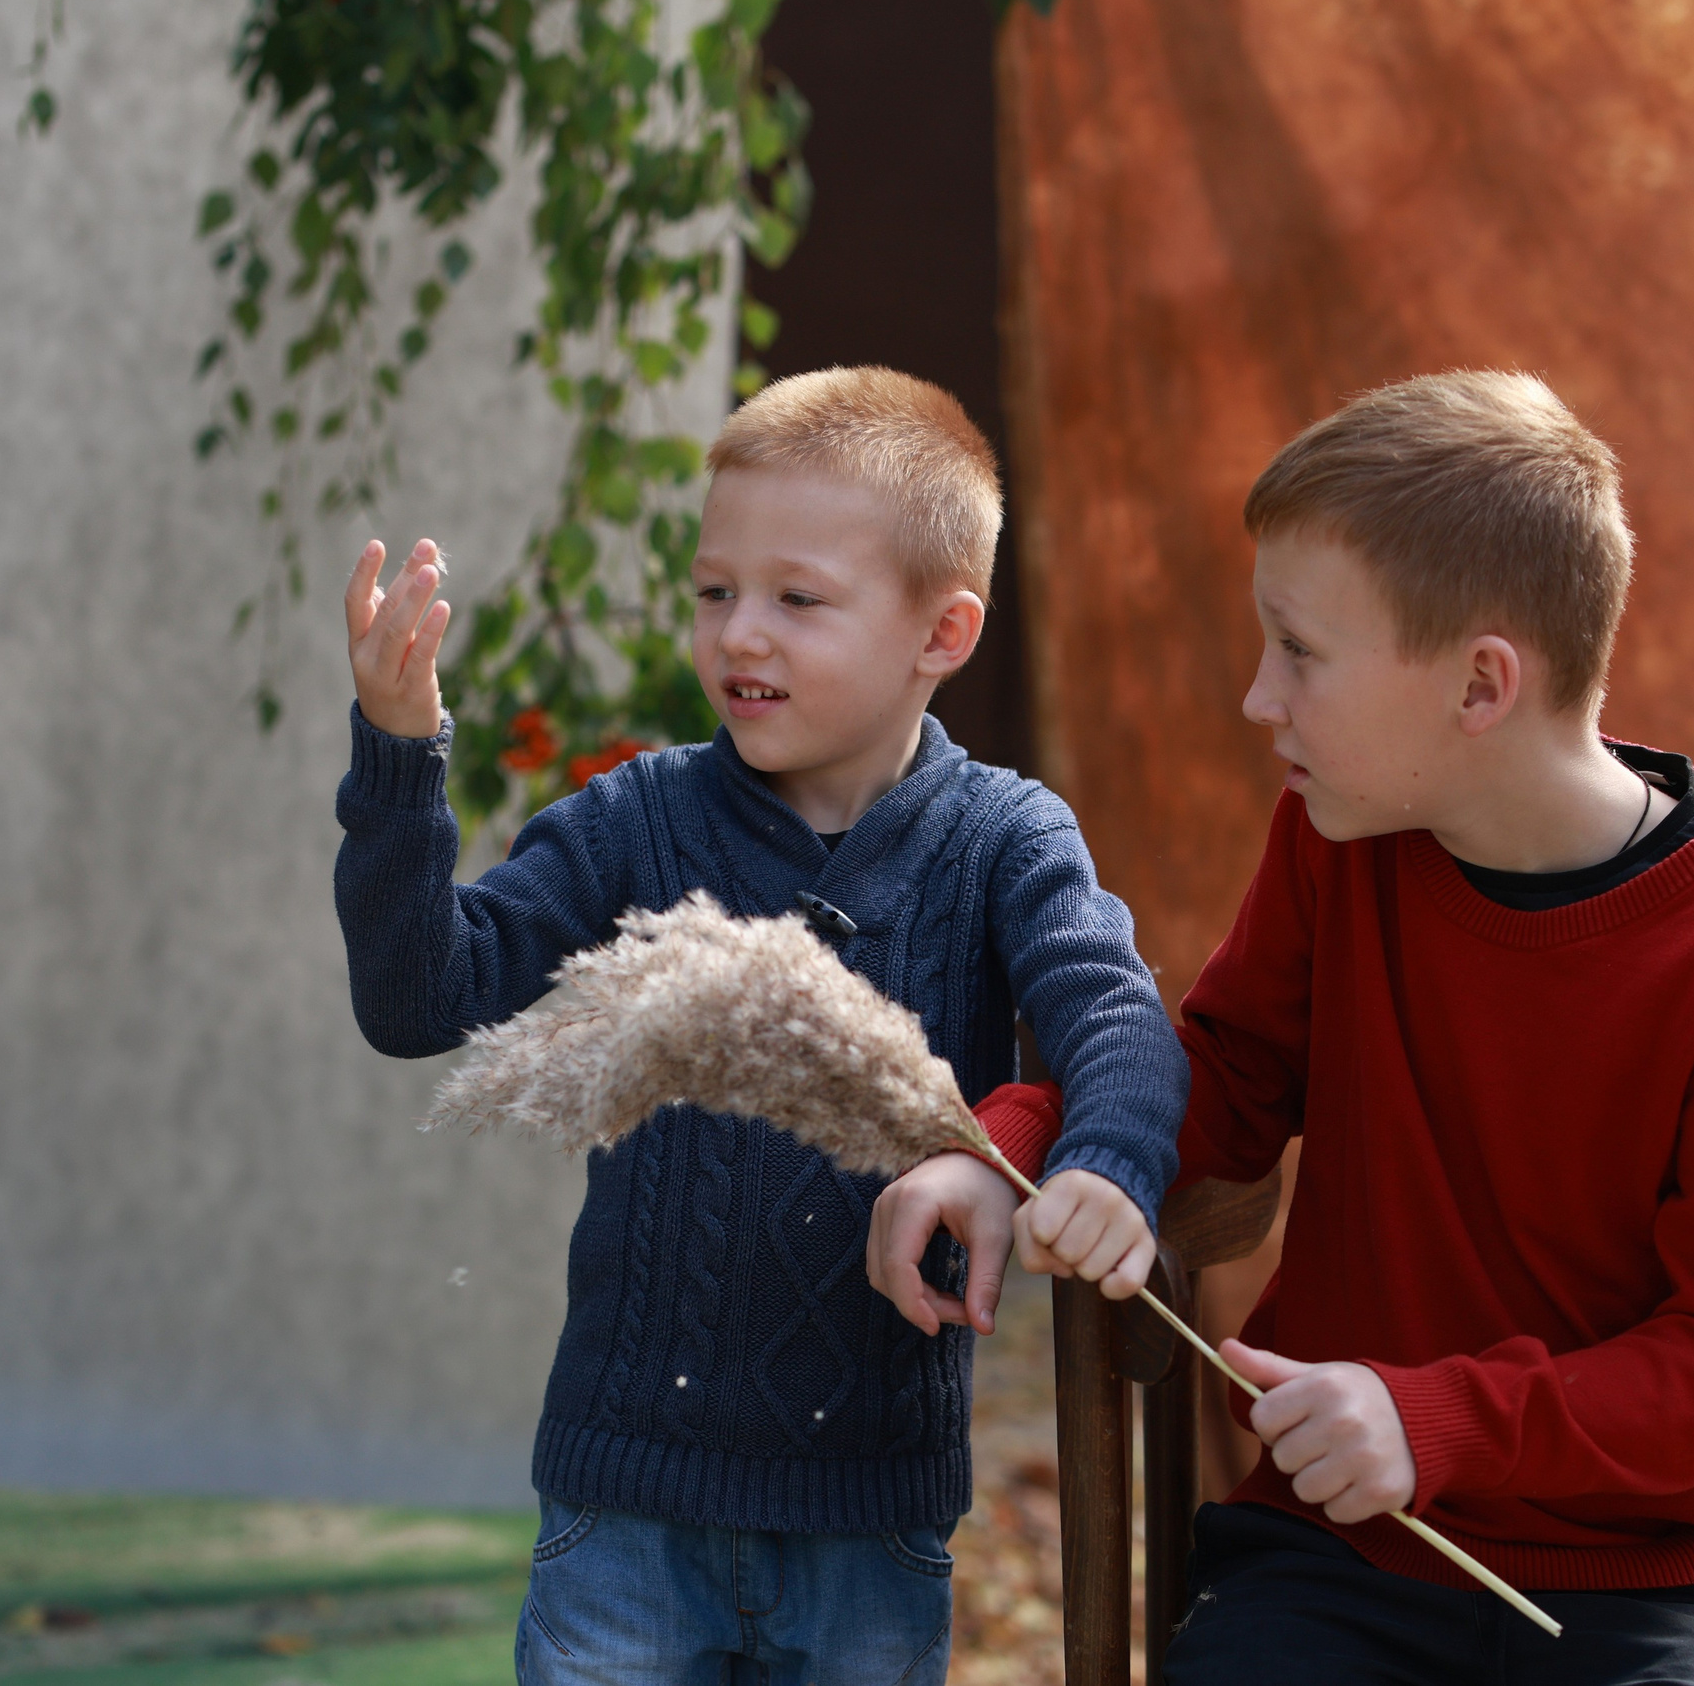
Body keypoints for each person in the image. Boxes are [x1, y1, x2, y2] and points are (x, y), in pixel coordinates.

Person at [870, 372, 1694, 1684]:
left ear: (1480, 685)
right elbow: (1220, 1077)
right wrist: (1004, 1152)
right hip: (1338, 1560)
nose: (1259, 697)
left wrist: (1434, 1418)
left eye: (1299, 650)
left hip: (1661, 1586)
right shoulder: (1340, 833)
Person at [335, 366, 1185, 1686]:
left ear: (943, 631)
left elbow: (1114, 1012)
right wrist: (401, 758)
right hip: (628, 1506)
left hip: (868, 1520)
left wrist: (1108, 1168)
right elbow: (424, 998)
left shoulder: (1002, 839)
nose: (740, 635)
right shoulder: (642, 819)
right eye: (713, 592)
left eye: (798, 600)